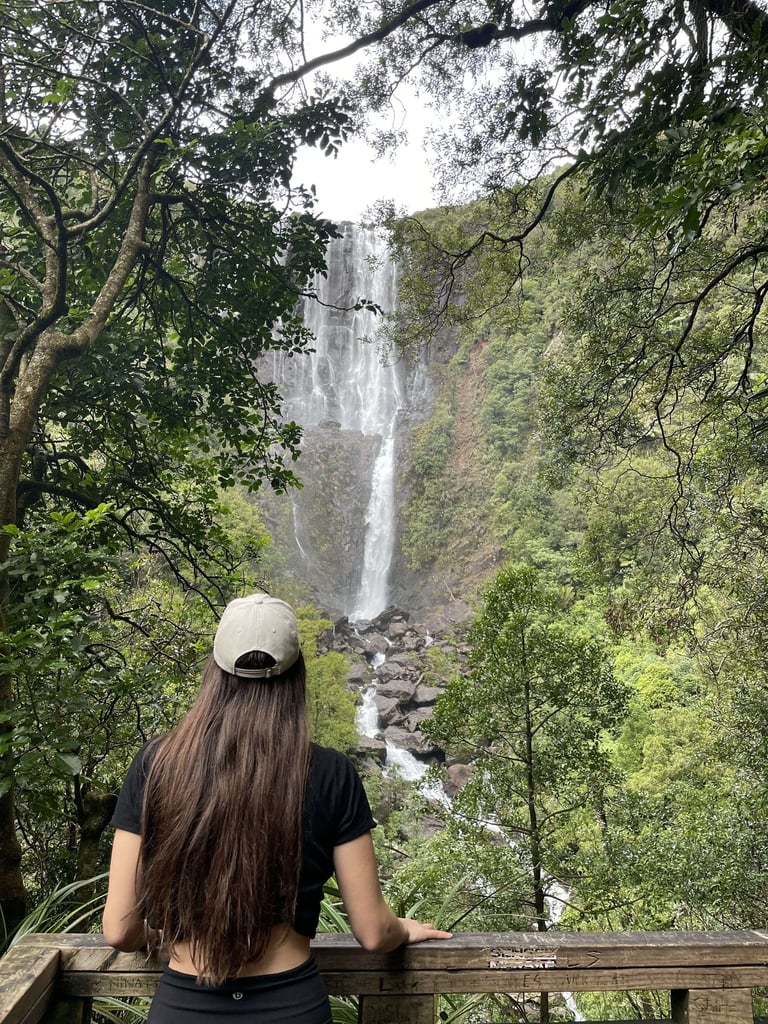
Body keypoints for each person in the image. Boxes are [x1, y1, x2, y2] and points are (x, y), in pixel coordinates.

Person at [103, 592, 451, 1023]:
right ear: (297, 674)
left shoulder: (156, 765)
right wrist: (403, 928)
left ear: (214, 671)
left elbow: (119, 929)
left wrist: (162, 931)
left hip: (183, 1007)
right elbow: (374, 933)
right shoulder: (331, 773)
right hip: (292, 1006)